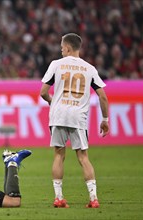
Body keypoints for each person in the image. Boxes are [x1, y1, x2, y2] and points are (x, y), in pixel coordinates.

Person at [40, 33, 109, 208]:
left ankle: (59, 198)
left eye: (62, 47)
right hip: (78, 117)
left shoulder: (56, 65)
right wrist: (105, 119)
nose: (61, 50)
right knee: (83, 157)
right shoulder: (90, 69)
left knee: (59, 155)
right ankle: (93, 199)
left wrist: (51, 101)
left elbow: (42, 92)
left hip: (58, 115)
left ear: (68, 48)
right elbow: (102, 97)